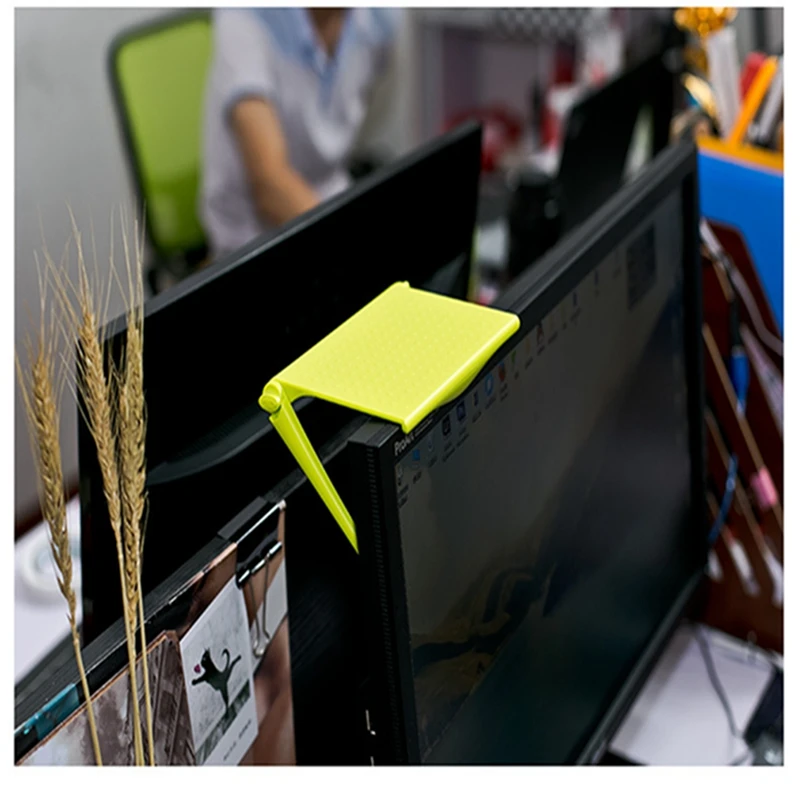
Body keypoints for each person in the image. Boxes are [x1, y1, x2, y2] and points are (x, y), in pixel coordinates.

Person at [200, 7, 401, 258]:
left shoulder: (379, 17)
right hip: (252, 240)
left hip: (331, 204)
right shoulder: (244, 18)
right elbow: (270, 185)